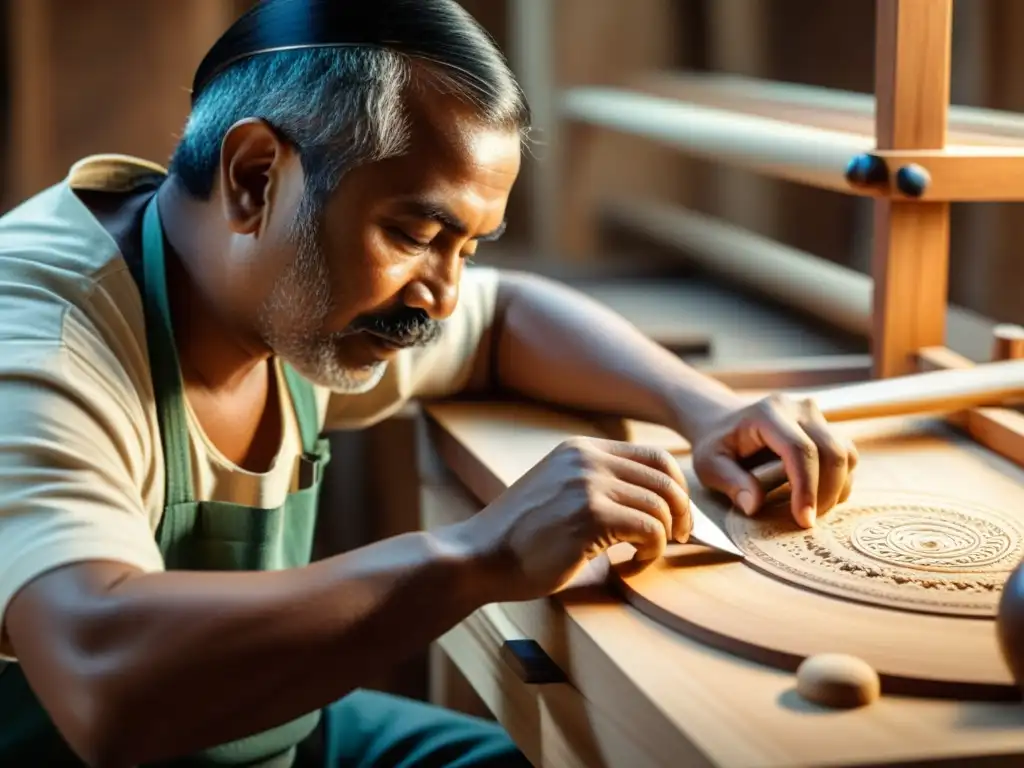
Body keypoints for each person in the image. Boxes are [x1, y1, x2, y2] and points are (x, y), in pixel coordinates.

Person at [0, 0, 858, 765]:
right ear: (256, 176)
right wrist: (478, 554)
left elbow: (503, 318)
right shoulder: (42, 336)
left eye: (468, 246)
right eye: (415, 232)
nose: (441, 296)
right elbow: (101, 682)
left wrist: (700, 407)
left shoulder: (278, 282)